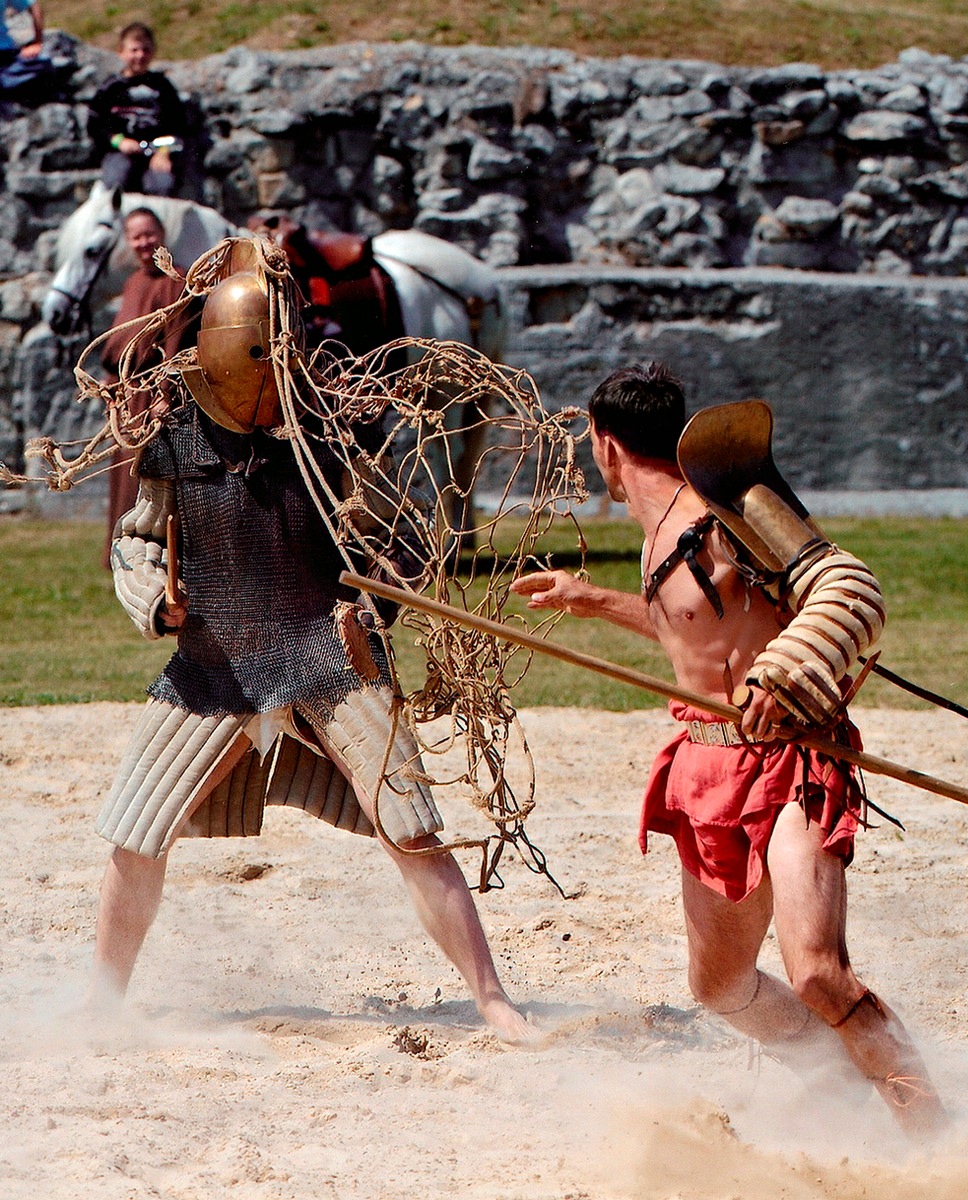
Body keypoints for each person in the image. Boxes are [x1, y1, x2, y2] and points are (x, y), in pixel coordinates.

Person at [94, 238, 534, 1044]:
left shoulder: (333, 431)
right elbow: (137, 543)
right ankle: (101, 1002)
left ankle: (494, 1003)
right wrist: (154, 599)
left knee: (414, 831)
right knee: (135, 834)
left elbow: (393, 540)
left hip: (331, 660)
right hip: (215, 663)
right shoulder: (177, 437)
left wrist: (373, 602)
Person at [510, 364, 946, 1134]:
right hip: (707, 764)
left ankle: (938, 1130)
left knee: (816, 972)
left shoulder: (725, 509)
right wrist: (593, 600)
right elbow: (695, 632)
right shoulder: (653, 537)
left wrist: (788, 671)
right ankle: (837, 1073)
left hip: (790, 762)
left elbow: (847, 586)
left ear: (604, 445)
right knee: (720, 985)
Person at [100, 207, 188, 553]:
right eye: (136, 237)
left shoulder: (177, 280)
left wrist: (164, 396)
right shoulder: (134, 282)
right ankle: (123, 555)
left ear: (162, 234)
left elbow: (176, 345)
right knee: (124, 481)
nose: (144, 243)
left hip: (155, 401)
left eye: (149, 234)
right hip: (128, 399)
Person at [88, 22, 185, 196]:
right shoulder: (110, 88)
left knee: (163, 185)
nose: (140, 55)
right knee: (114, 183)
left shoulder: (163, 87)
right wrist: (119, 141)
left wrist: (164, 152)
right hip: (120, 151)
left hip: (156, 150)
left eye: (145, 50)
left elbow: (178, 125)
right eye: (134, 50)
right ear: (121, 52)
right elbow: (95, 126)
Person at [0, 0, 42, 69]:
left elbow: (33, 7)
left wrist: (37, 43)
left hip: (6, 54)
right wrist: (38, 42)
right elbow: (33, 6)